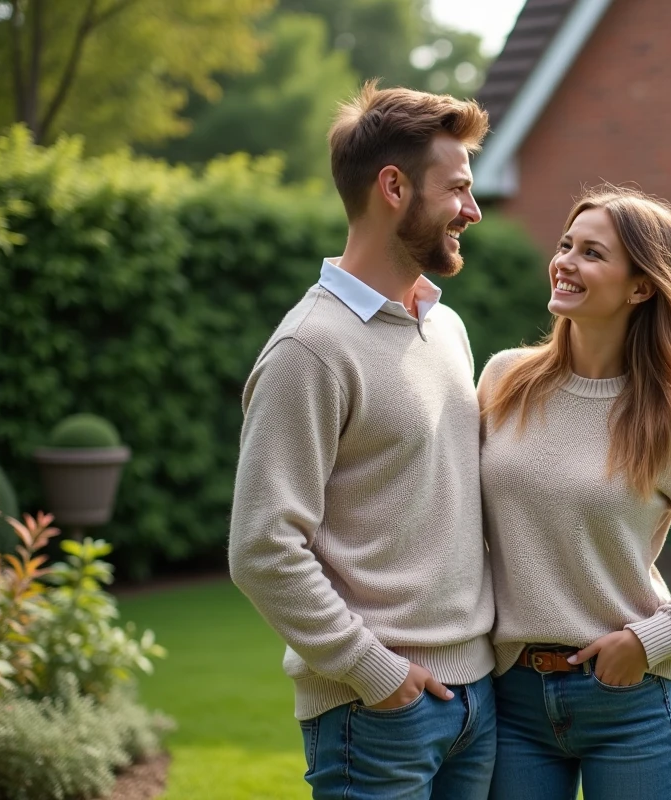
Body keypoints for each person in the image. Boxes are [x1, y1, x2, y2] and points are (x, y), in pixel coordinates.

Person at [228, 81, 497, 800]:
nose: (473, 210)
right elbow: (261, 548)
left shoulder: (446, 326)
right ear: (394, 187)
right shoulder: (309, 350)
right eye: (458, 189)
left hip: (477, 702)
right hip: (374, 715)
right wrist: (373, 672)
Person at [477, 185, 671, 800]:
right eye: (565, 245)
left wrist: (646, 643)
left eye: (592, 253)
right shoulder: (503, 381)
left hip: (628, 703)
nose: (565, 262)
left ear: (640, 288)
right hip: (511, 698)